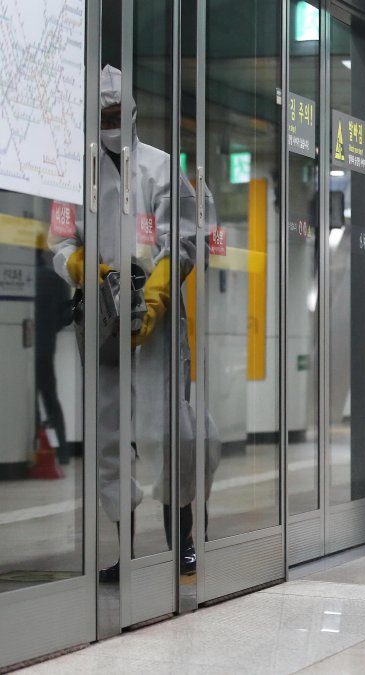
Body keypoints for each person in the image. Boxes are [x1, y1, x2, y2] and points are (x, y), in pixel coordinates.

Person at [49, 65, 218, 580]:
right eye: (104, 116)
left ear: (133, 113)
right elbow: (60, 243)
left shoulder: (162, 168)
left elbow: (185, 239)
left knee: (174, 434)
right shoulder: (72, 175)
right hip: (101, 326)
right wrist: (84, 268)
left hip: (159, 330)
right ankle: (125, 551)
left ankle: (182, 540)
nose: (111, 123)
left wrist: (159, 294)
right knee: (108, 438)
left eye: (118, 114)